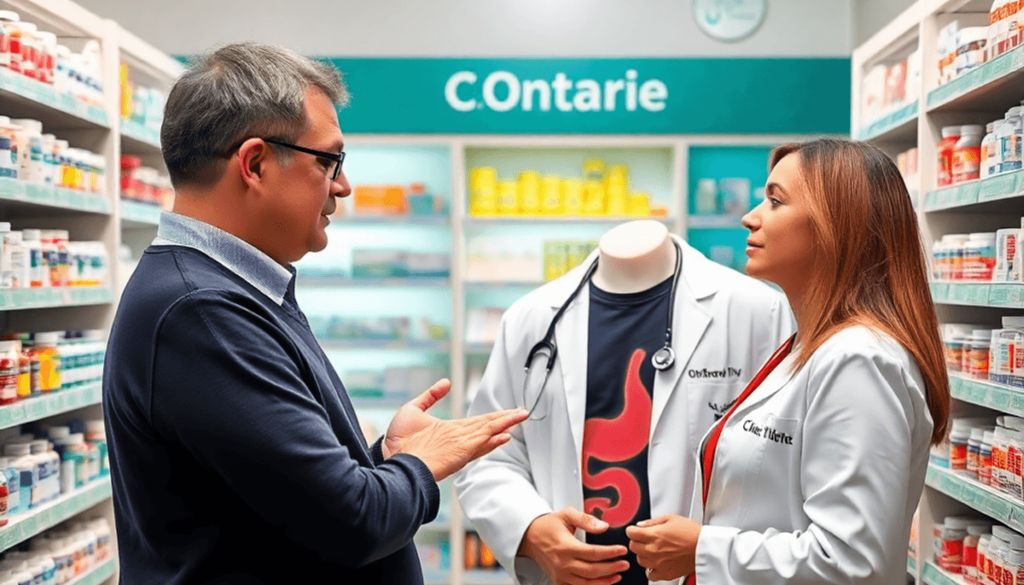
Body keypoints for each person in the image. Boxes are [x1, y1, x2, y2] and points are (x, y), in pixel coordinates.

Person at [102, 42, 527, 584]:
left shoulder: (233, 290)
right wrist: (421, 464)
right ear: (255, 163)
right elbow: (354, 524)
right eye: (328, 161)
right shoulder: (202, 312)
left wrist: (386, 456)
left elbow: (282, 501)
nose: (342, 186)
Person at [625, 138, 950, 584]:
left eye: (775, 201)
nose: (750, 216)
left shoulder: (859, 360)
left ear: (835, 226)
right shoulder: (808, 347)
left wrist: (702, 549)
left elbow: (853, 561)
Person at [456, 219, 794, 585]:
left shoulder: (758, 313)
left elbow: (784, 465)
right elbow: (486, 456)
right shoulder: (531, 318)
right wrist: (531, 529)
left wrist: (715, 550)